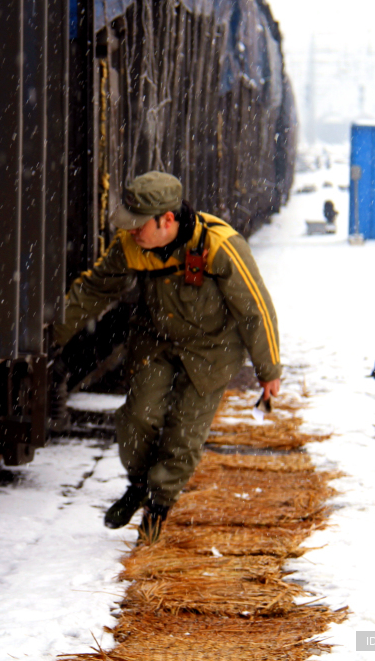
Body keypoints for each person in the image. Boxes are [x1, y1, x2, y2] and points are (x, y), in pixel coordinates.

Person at [53, 171, 282, 542]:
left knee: (184, 432)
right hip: (157, 339)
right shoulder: (131, 244)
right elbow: (94, 289)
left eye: (138, 225)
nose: (130, 233)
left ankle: (157, 508)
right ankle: (139, 484)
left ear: (168, 221)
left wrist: (268, 368)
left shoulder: (219, 245)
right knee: (136, 417)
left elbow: (255, 309)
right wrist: (51, 336)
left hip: (212, 349)